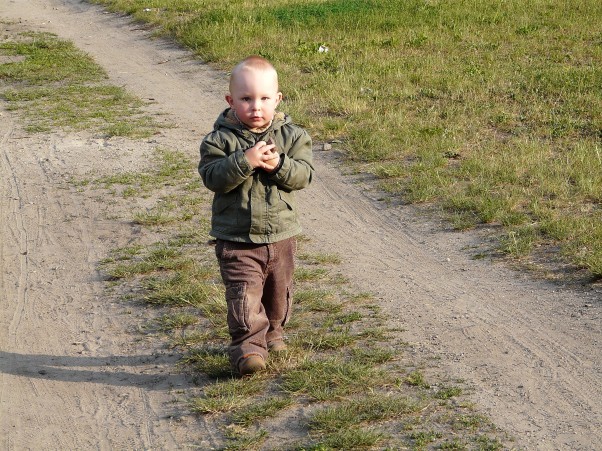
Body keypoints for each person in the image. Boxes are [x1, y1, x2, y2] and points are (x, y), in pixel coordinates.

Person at [198, 56, 314, 376]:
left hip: (281, 233)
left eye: (264, 98)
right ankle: (248, 347)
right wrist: (244, 161)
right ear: (230, 101)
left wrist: (278, 166)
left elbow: (303, 176)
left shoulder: (291, 136)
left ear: (277, 99)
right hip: (237, 237)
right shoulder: (219, 139)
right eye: (246, 99)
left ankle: (274, 332)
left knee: (279, 292)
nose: (256, 107)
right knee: (244, 294)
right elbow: (213, 177)